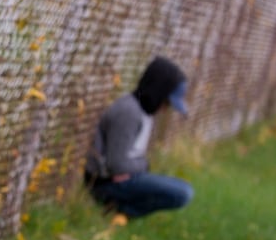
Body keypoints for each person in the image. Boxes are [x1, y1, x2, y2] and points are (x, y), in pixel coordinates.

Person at [83, 56, 194, 219]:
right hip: (105, 184)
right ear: (158, 92)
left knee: (184, 188)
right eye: (166, 102)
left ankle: (118, 211)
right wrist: (143, 165)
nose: (166, 108)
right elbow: (118, 165)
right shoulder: (129, 112)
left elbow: (130, 162)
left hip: (129, 177)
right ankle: (119, 211)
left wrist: (138, 167)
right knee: (182, 193)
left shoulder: (144, 113)